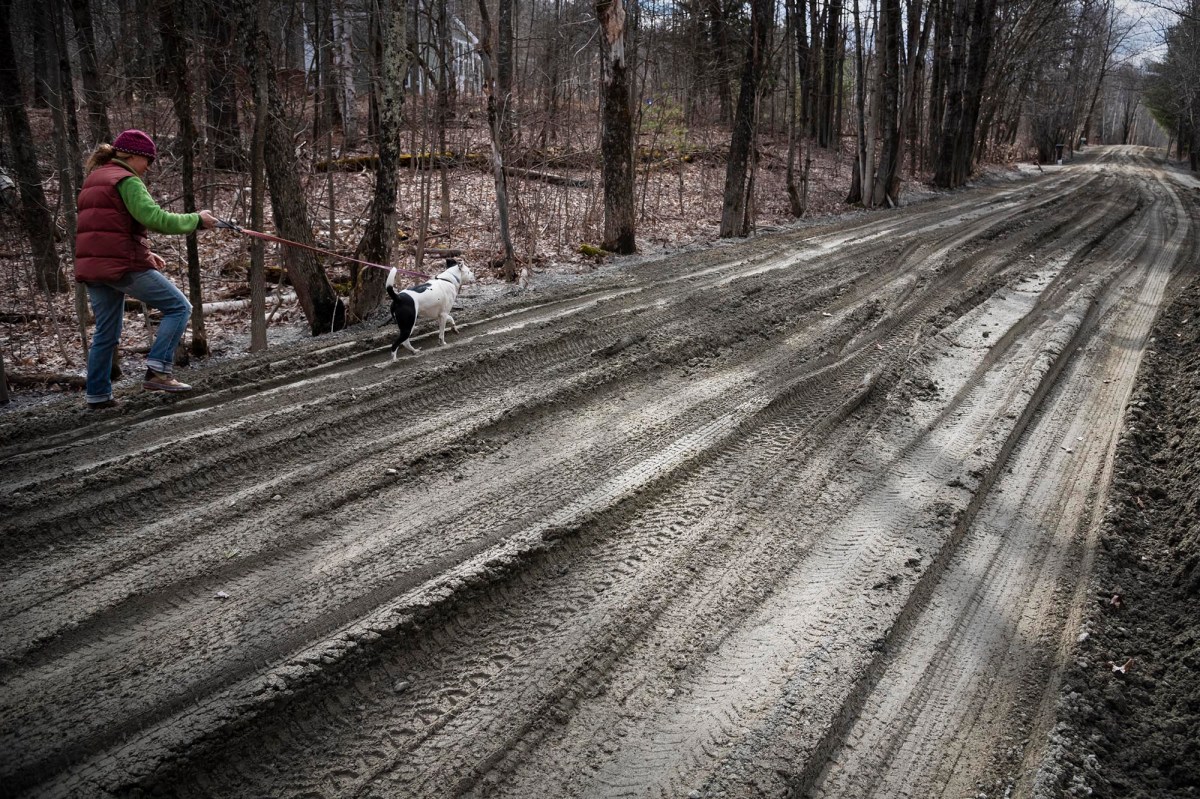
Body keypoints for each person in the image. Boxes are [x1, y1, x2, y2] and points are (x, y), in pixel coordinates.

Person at [74, 129, 217, 410]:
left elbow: (107, 227)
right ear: (134, 155)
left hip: (94, 266)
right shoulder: (127, 180)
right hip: (122, 266)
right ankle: (158, 370)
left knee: (105, 333)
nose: (149, 167)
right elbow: (155, 218)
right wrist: (197, 220)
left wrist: (146, 251)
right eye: (148, 160)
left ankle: (98, 396)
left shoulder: (95, 178)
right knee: (179, 307)